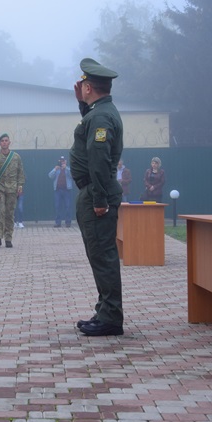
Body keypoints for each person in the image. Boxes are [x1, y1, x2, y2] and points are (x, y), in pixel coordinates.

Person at [71, 58, 124, 337]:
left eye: (84, 85)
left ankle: (111, 317)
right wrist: (83, 105)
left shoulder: (101, 117)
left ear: (89, 87)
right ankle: (105, 310)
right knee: (99, 255)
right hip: (94, 190)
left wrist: (100, 199)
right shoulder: (97, 113)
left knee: (103, 256)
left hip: (96, 191)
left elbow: (99, 158)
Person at [0, 133, 25, 248]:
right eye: (2, 141)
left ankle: (8, 238)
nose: (4, 142)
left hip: (12, 189)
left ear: (9, 142)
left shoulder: (16, 157)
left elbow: (20, 173)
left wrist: (20, 185)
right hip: (0, 189)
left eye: (6, 140)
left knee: (10, 214)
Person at [48, 156, 73, 227]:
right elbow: (50, 176)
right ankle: (58, 222)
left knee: (68, 206)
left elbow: (72, 175)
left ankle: (68, 222)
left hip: (67, 190)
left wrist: (66, 168)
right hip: (58, 190)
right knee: (57, 207)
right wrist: (55, 169)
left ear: (66, 161)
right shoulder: (57, 169)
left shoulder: (68, 169)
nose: (62, 162)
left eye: (63, 161)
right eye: (61, 161)